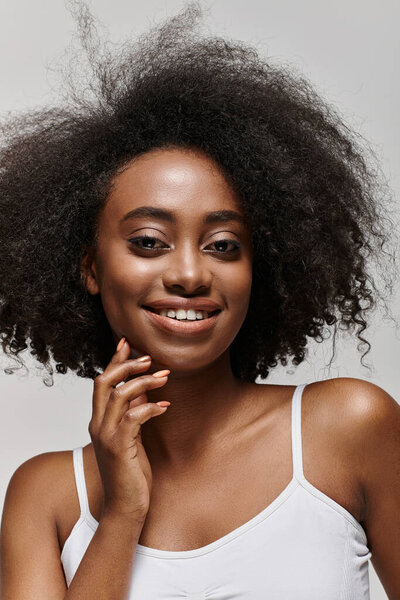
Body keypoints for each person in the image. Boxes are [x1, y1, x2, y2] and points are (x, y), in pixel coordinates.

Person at [0, 2, 399, 599]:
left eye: (222, 244)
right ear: (89, 266)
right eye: (148, 242)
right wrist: (123, 513)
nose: (190, 273)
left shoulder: (346, 428)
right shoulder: (49, 496)